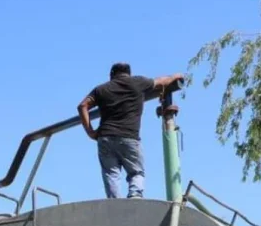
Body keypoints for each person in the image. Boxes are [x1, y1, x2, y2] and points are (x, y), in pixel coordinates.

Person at [78, 63, 185, 199]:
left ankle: (115, 202)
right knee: (136, 172)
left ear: (111, 75)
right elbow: (162, 81)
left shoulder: (101, 89)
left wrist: (90, 131)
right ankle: (135, 195)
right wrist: (175, 76)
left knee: (111, 173)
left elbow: (82, 106)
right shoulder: (138, 82)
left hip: (105, 137)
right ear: (129, 73)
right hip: (129, 136)